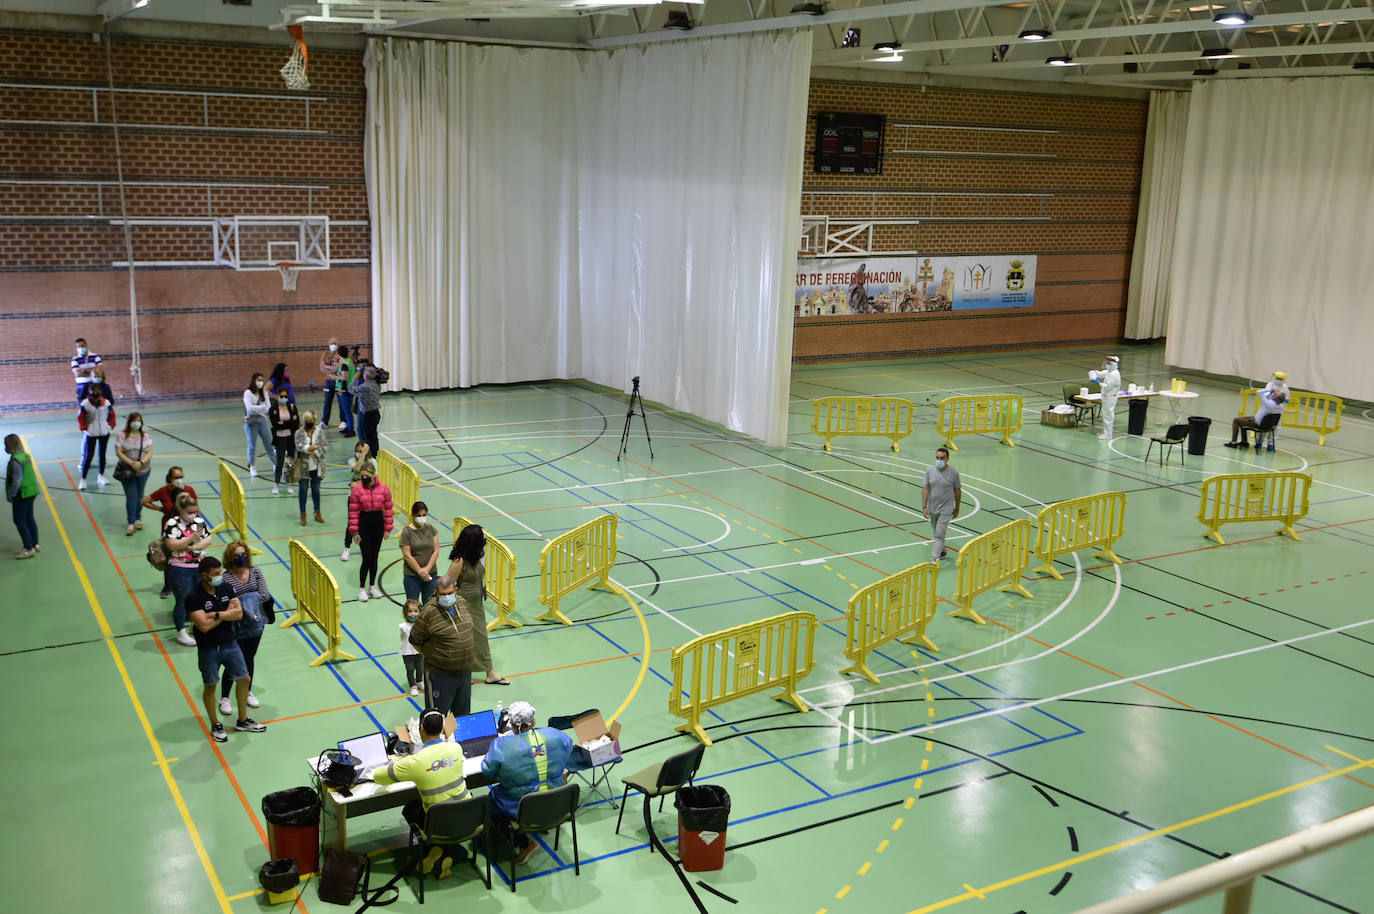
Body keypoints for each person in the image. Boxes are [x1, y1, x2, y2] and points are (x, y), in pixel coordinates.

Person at [368, 708, 469, 876]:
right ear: (443, 728)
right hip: (468, 817)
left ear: (420, 728)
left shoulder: (415, 762)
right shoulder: (456, 749)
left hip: (438, 824)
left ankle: (434, 848)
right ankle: (443, 853)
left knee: (410, 808)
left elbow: (379, 776)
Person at [481, 700, 575, 865]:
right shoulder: (555, 735)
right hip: (558, 803)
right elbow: (569, 748)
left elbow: (488, 771)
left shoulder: (502, 746)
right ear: (533, 721)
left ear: (512, 725)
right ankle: (543, 824)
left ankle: (523, 843)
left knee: (491, 801)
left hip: (522, 808)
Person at [185, 555, 266, 742]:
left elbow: (238, 614)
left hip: (230, 644)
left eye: (220, 572)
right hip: (208, 649)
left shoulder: (226, 588)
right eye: (215, 573)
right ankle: (215, 724)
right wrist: (224, 614)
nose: (219, 576)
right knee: (211, 686)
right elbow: (203, 626)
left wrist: (214, 614)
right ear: (204, 575)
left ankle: (243, 720)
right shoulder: (194, 597)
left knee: (244, 679)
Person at [447, 524, 508, 685]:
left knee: (481, 637)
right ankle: (464, 673)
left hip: (477, 604)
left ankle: (490, 673)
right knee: (465, 640)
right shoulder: (459, 560)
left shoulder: (475, 556)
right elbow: (448, 583)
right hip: (463, 605)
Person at [217, 541, 273, 717]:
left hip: (256, 624)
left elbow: (265, 595)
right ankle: (224, 697)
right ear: (230, 558)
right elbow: (226, 601)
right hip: (236, 625)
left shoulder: (255, 572)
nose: (241, 558)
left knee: (249, 657)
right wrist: (249, 602)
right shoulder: (225, 578)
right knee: (234, 659)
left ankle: (247, 691)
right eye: (236, 556)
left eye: (244, 554)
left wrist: (241, 602)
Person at [408, 576, 474, 719]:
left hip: (465, 673)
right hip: (440, 676)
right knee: (436, 719)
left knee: (463, 717)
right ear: (436, 593)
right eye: (442, 594)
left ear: (455, 591)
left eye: (449, 593)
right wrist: (434, 655)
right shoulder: (428, 612)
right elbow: (415, 638)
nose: (447, 597)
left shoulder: (462, 603)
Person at [164, 493, 212, 646]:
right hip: (180, 568)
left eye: (195, 512)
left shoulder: (199, 522)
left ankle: (196, 623)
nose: (193, 516)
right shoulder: (172, 523)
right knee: (183, 600)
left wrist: (191, 547)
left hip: (199, 566)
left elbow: (208, 540)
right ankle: (181, 632)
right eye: (190, 513)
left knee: (200, 598)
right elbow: (172, 545)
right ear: (181, 510)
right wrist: (191, 539)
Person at [143, 467, 197, 599]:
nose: (179, 480)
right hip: (170, 532)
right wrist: (160, 509)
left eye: (180, 477)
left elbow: (196, 509)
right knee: (169, 559)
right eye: (176, 477)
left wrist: (197, 525)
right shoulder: (163, 491)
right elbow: (145, 501)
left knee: (189, 557)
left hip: (187, 530)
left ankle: (190, 583)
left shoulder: (189, 490)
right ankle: (168, 587)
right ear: (169, 478)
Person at [347, 464, 393, 601]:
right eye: (362, 476)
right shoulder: (357, 490)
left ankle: (372, 586)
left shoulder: (384, 489)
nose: (364, 478)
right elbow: (353, 512)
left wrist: (387, 528)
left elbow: (389, 510)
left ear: (374, 474)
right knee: (366, 556)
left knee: (374, 557)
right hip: (364, 524)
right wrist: (354, 532)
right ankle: (361, 588)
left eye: (367, 476)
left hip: (378, 523)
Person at [113, 411, 153, 537]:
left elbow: (150, 453)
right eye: (134, 420)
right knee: (131, 496)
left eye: (139, 420)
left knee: (140, 495)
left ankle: (138, 518)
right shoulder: (121, 436)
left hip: (144, 470)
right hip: (128, 471)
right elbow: (119, 452)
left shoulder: (145, 436)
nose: (137, 423)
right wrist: (131, 463)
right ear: (129, 422)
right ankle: (131, 522)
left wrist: (141, 462)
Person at [922, 447, 962, 563]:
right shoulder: (929, 471)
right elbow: (925, 488)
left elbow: (957, 490)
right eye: (937, 458)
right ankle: (942, 551)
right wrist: (924, 506)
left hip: (946, 508)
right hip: (933, 507)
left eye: (942, 458)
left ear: (947, 458)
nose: (939, 460)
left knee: (939, 535)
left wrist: (957, 507)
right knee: (936, 531)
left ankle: (933, 560)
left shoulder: (954, 473)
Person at [1227, 374, 1289, 448]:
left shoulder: (1268, 403)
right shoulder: (1280, 407)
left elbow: (1259, 392)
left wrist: (1270, 390)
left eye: (1275, 394)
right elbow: (1282, 400)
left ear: (1275, 397)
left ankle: (1233, 442)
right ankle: (1244, 442)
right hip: (1267, 425)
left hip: (1258, 423)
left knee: (1236, 420)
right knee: (1243, 419)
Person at [5, 434, 40, 559]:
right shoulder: (25, 456)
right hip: (32, 491)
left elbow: (16, 481)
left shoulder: (15, 461)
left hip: (22, 494)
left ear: (11, 446)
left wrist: (11, 495)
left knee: (19, 520)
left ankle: (28, 548)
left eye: (6, 445)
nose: (4, 448)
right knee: (29, 517)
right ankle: (35, 543)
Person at [340, 442, 376, 562]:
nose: (359, 453)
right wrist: (363, 454)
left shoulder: (373, 462)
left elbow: (374, 480)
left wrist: (357, 484)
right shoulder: (352, 460)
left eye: (362, 451)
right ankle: (347, 548)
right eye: (358, 451)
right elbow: (357, 468)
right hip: (354, 497)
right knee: (352, 522)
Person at [76, 384, 116, 491]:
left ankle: (101, 476)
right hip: (91, 433)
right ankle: (83, 480)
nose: (96, 393)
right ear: (90, 392)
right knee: (89, 456)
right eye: (93, 391)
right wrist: (86, 428)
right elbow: (80, 418)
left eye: (98, 390)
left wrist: (109, 426)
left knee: (102, 455)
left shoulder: (106, 402)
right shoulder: (85, 404)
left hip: (104, 432)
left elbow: (112, 415)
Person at [400, 501, 440, 605]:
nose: (422, 518)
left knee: (430, 605)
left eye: (424, 515)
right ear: (413, 515)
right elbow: (407, 555)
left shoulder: (431, 529)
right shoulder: (406, 532)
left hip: (431, 574)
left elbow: (436, 550)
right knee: (413, 606)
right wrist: (420, 571)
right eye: (419, 515)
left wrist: (427, 569)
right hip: (412, 576)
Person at [294, 410, 327, 526]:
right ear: (304, 421)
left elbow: (324, 447)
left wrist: (312, 449)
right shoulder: (299, 432)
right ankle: (303, 514)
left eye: (312, 421)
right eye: (308, 421)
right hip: (303, 467)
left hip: (317, 466)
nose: (310, 423)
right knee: (303, 490)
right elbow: (299, 446)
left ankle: (317, 512)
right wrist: (312, 448)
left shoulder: (320, 431)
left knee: (316, 490)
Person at [243, 372, 274, 479]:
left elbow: (268, 407)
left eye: (262, 380)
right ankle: (252, 466)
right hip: (251, 422)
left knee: (269, 443)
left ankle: (275, 464)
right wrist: (261, 407)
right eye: (259, 380)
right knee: (252, 445)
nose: (261, 382)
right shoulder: (247, 393)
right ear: (254, 381)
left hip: (262, 421)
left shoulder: (264, 393)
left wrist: (258, 408)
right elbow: (249, 409)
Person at [269, 388, 300, 496]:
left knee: (290, 462)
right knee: (280, 462)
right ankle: (276, 484)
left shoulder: (291, 407)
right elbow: (275, 424)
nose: (284, 398)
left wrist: (283, 423)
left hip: (290, 438)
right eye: (281, 396)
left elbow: (296, 423)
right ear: (277, 396)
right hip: (279, 438)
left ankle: (289, 483)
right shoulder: (273, 408)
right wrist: (288, 422)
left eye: (286, 397)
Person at [1088, 354, 1122, 440]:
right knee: (1105, 414)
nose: (1106, 365)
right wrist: (1094, 372)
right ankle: (1106, 432)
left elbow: (1107, 386)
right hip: (1106, 396)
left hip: (1110, 397)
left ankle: (1108, 435)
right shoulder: (1109, 372)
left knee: (1108, 416)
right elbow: (1101, 374)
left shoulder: (1114, 374)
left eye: (1108, 363)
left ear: (1113, 364)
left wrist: (1098, 382)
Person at [352, 364, 383, 458]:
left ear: (366, 376)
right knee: (373, 435)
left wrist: (356, 378)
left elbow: (351, 389)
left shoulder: (365, 387)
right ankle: (374, 455)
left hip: (367, 415)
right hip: (375, 413)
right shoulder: (376, 384)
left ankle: (366, 455)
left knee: (364, 436)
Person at [399, 599, 425, 697]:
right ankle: (413, 686)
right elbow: (402, 638)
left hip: (419, 651)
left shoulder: (421, 625)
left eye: (415, 611)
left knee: (420, 668)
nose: (412, 614)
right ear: (406, 613)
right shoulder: (403, 626)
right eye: (410, 611)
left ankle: (419, 681)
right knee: (410, 669)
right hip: (408, 652)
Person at [320, 339, 343, 428]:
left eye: (335, 343)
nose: (333, 345)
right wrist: (332, 368)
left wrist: (328, 368)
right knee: (327, 402)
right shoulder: (325, 354)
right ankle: (324, 422)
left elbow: (339, 367)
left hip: (338, 381)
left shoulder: (340, 354)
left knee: (341, 402)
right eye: (331, 343)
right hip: (329, 381)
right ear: (328, 344)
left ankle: (343, 421)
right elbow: (322, 367)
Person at [71, 337, 101, 403]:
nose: (81, 348)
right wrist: (92, 371)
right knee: (83, 407)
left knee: (97, 406)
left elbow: (100, 370)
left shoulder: (95, 356)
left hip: (95, 387)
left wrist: (83, 371)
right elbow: (77, 374)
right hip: (81, 387)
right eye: (78, 347)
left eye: (82, 346)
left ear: (86, 345)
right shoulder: (75, 359)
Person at [335, 345, 357, 437]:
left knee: (347, 411)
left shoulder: (344, 364)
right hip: (349, 388)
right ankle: (348, 427)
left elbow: (344, 377)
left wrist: (334, 377)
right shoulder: (349, 361)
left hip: (346, 390)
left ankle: (351, 429)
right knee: (346, 410)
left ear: (339, 354)